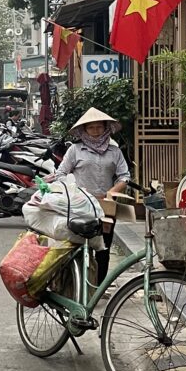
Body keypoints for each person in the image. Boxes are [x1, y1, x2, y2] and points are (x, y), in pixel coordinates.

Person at [53, 107, 130, 285]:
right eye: (91, 128)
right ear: (84, 130)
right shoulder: (75, 150)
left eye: (99, 127)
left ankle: (99, 286)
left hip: (106, 206)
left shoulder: (115, 151)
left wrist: (113, 191)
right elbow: (61, 174)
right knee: (77, 246)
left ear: (105, 129)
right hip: (80, 205)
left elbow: (124, 176)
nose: (95, 131)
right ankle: (76, 284)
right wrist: (76, 190)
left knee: (103, 248)